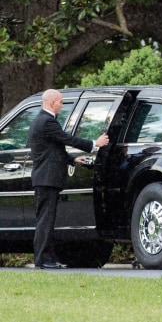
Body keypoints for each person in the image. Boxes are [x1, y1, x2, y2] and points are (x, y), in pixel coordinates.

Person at [28, 89, 110, 269]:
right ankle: (42, 260)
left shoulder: (42, 121)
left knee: (47, 220)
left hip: (45, 178)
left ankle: (48, 258)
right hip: (47, 179)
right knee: (45, 221)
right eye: (60, 102)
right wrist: (94, 143)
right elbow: (67, 139)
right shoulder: (47, 122)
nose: (62, 105)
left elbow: (52, 149)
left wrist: (72, 159)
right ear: (52, 103)